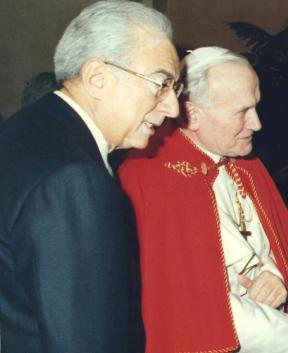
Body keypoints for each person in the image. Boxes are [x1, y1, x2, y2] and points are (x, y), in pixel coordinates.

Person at [118, 47, 288, 353]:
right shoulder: (151, 177)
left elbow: (273, 243)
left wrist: (273, 273)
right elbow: (200, 309)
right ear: (192, 114)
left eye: (255, 107)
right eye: (241, 112)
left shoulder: (245, 161)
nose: (256, 124)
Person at [0, 2, 181, 353]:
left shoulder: (26, 131)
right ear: (98, 78)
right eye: (161, 84)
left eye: (176, 88)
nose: (172, 107)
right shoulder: (74, 180)